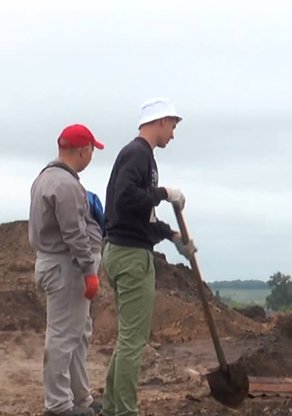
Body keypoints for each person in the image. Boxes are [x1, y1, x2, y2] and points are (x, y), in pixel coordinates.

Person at [102, 98, 196, 416]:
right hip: (130, 256)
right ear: (159, 122)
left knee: (128, 337)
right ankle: (125, 411)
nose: (172, 134)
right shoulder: (138, 153)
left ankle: (113, 408)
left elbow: (141, 215)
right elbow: (127, 198)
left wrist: (172, 236)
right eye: (172, 126)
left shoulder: (142, 157)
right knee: (133, 340)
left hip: (122, 249)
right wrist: (164, 193)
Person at [29, 124, 106, 416]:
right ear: (83, 150)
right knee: (63, 336)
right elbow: (75, 234)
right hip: (67, 267)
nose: (91, 157)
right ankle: (59, 406)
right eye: (91, 151)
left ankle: (79, 400)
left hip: (57, 264)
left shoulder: (45, 178)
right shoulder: (65, 184)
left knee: (76, 334)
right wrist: (89, 271)